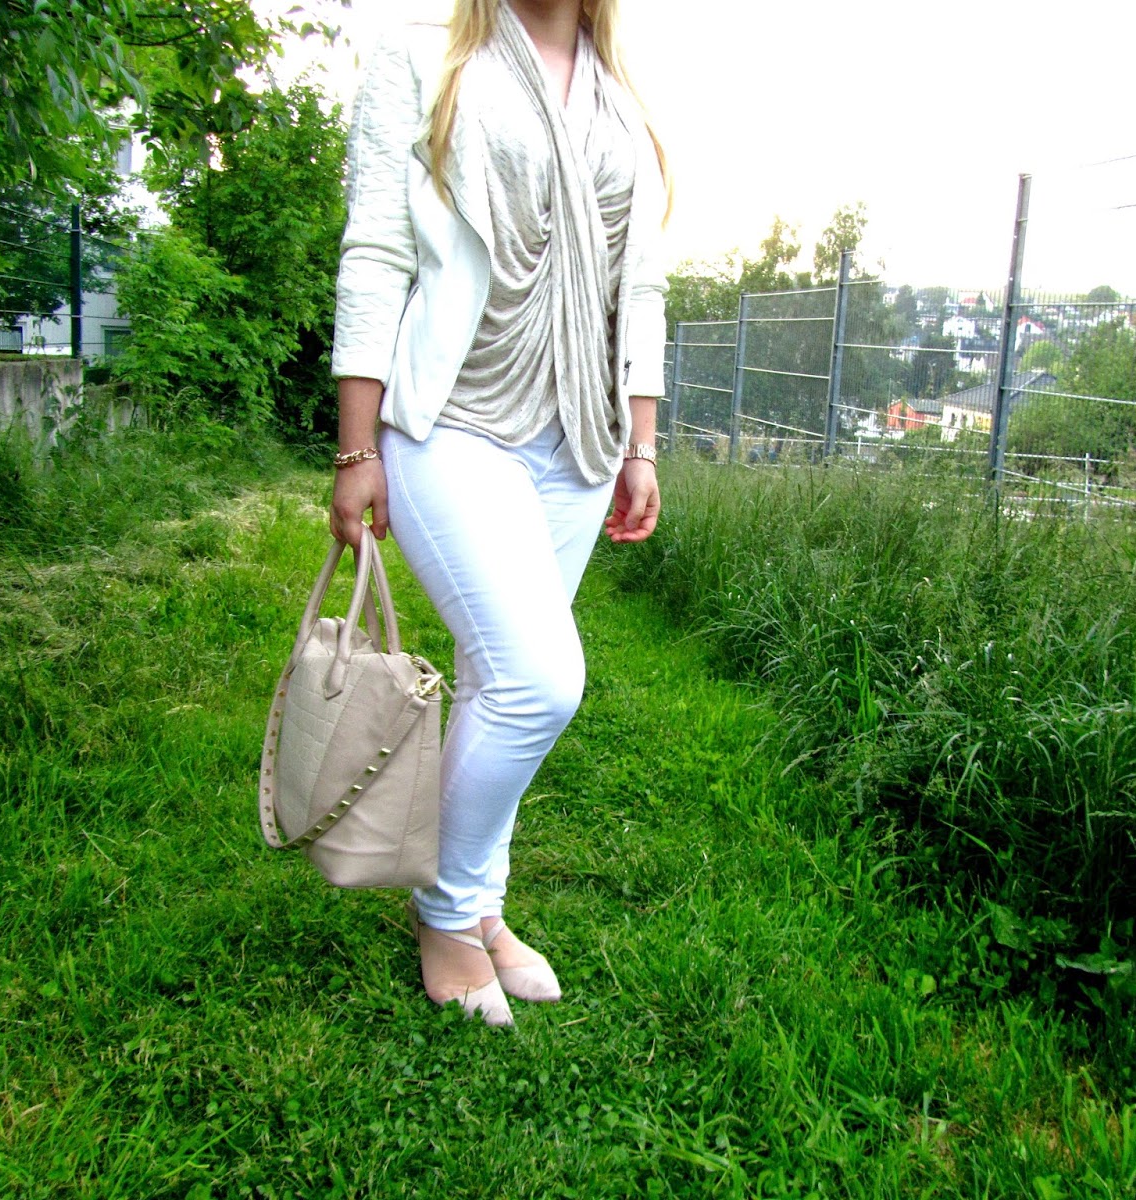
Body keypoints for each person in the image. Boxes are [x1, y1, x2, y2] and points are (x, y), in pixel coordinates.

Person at [327, 0, 670, 1026]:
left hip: (578, 437)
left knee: (495, 683)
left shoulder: (617, 94)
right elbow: (376, 253)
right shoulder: (425, 57)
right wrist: (356, 447)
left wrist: (640, 443)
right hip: (453, 420)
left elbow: (641, 284)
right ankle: (443, 911)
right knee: (536, 681)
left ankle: (482, 908)